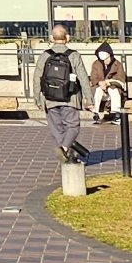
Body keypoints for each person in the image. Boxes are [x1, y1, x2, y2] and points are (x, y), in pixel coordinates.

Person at [39, 25, 87, 163]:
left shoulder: (45, 55)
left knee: (56, 128)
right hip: (70, 97)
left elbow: (37, 77)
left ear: (51, 38)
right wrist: (88, 98)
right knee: (72, 126)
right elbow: (83, 78)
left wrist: (38, 98)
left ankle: (64, 154)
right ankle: (65, 148)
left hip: (50, 98)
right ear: (68, 38)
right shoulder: (74, 55)